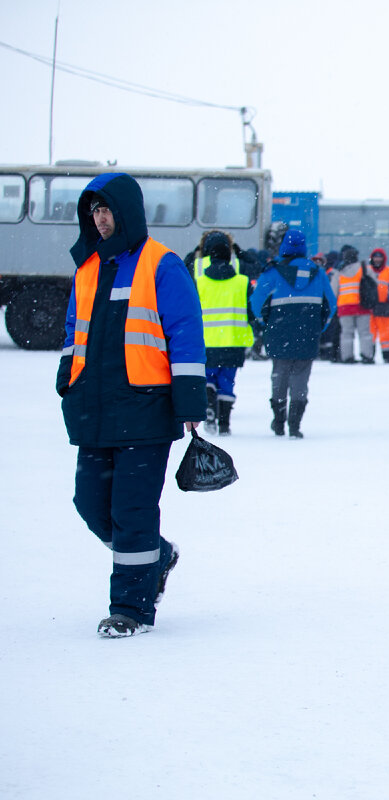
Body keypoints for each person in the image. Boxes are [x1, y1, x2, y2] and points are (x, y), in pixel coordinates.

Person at [57, 172, 206, 638]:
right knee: (90, 504)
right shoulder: (87, 268)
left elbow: (184, 331)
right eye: (94, 211)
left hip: (146, 407)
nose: (100, 220)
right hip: (95, 407)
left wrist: (188, 399)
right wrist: (67, 377)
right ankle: (157, 556)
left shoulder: (161, 264)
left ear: (127, 211)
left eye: (106, 210)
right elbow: (72, 332)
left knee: (133, 510)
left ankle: (132, 607)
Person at [250, 229, 337, 438]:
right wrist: (318, 327)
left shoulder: (272, 272)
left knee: (279, 376)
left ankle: (279, 422)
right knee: (300, 379)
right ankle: (295, 425)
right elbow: (331, 305)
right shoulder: (318, 272)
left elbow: (256, 303)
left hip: (279, 333)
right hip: (307, 334)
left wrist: (266, 324)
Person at [193, 230, 253, 435]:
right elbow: (252, 310)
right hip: (234, 342)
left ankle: (209, 405)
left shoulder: (199, 282)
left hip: (206, 342)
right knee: (227, 382)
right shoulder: (241, 282)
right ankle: (225, 423)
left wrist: (195, 252)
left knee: (208, 378)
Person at [334, 245, 374, 363]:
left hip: (344, 307)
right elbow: (374, 283)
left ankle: (347, 356)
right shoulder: (364, 268)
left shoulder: (339, 271)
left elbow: (334, 290)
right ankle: (367, 356)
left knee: (346, 333)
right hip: (362, 305)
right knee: (365, 333)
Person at [366, 248, 389, 362]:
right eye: (375, 257)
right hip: (370, 306)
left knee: (386, 333)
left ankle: (387, 355)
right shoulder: (367, 270)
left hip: (384, 306)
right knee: (370, 333)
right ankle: (369, 355)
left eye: (380, 257)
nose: (377, 259)